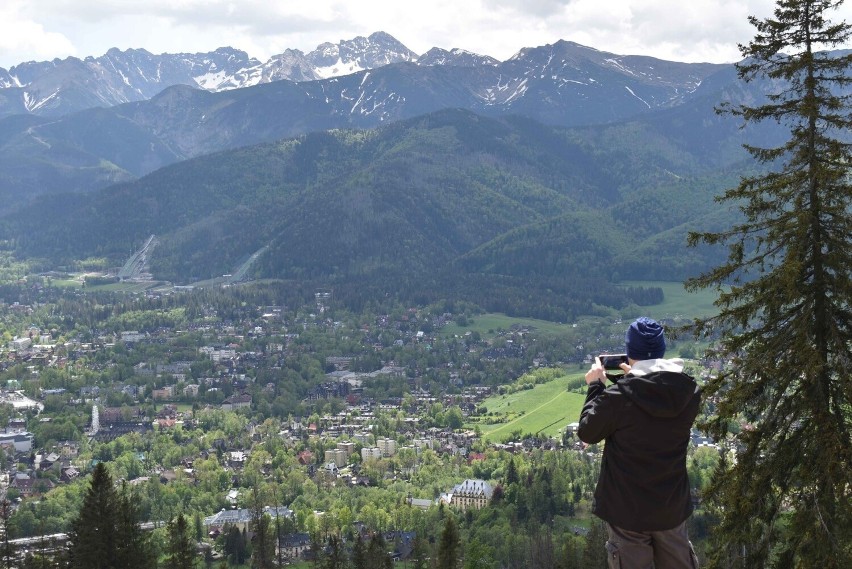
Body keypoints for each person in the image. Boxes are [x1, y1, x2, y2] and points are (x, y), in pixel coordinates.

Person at [578, 316, 701, 569]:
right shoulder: (689, 392)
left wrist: (596, 386)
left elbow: (588, 432)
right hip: (671, 506)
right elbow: (652, 403)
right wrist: (633, 378)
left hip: (627, 511)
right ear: (662, 349)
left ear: (629, 351)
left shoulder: (619, 398)